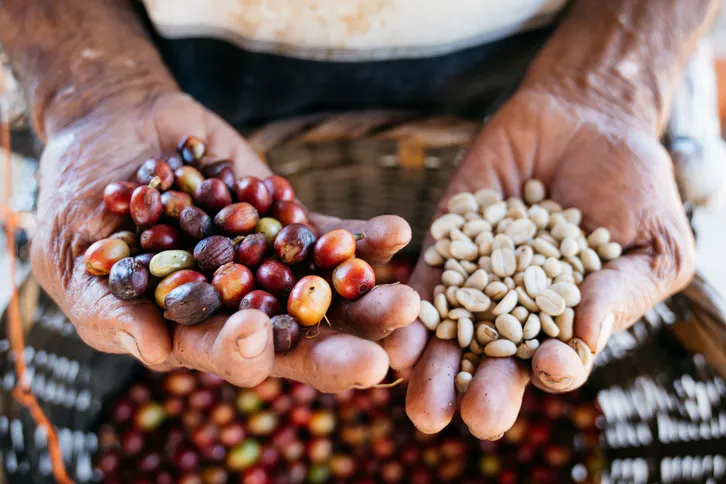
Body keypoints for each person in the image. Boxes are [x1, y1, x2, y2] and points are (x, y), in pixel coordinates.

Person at [0, 0, 711, 439]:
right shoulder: (195, 211)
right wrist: (89, 90)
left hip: (556, 53)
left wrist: (612, 84)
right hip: (153, 57)